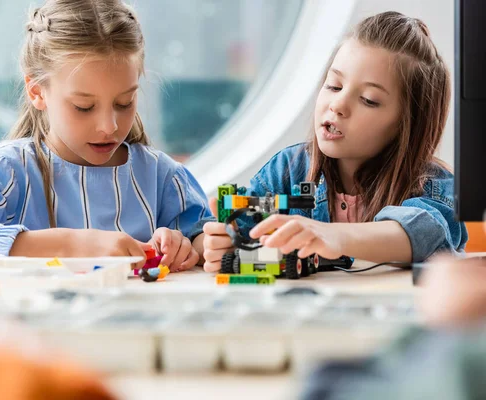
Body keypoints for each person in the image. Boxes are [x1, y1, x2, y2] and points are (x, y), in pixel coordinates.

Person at [0, 0, 210, 274]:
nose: (109, 126)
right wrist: (70, 243)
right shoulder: (2, 174)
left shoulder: (161, 178)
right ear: (37, 92)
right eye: (83, 107)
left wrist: (194, 247)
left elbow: (203, 239)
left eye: (124, 103)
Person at [193, 12, 467, 271]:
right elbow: (229, 232)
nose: (337, 105)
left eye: (369, 100)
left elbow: (422, 233)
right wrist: (217, 244)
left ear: (408, 124)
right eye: (334, 86)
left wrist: (331, 235)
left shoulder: (434, 186)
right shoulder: (287, 171)